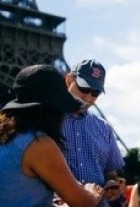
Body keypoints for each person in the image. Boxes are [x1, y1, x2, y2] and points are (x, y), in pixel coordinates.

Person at [0, 64, 101, 206]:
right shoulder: (39, 143)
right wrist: (92, 191)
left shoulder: (8, 136)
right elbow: (84, 203)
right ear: (55, 111)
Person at [61, 59, 125, 207]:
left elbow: (110, 172)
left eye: (95, 92)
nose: (88, 98)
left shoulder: (104, 128)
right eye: (84, 89)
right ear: (69, 80)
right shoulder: (47, 120)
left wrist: (111, 184)